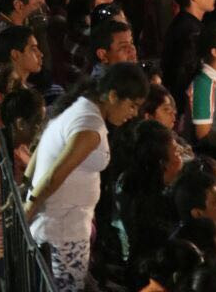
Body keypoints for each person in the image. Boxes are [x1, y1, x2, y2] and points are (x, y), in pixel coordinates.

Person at [24, 62, 149, 292]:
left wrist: (26, 183)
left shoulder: (82, 106)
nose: (133, 114)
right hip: (63, 233)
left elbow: (41, 147)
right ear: (113, 96)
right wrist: (27, 210)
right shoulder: (89, 128)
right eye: (132, 106)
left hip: (62, 226)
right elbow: (54, 176)